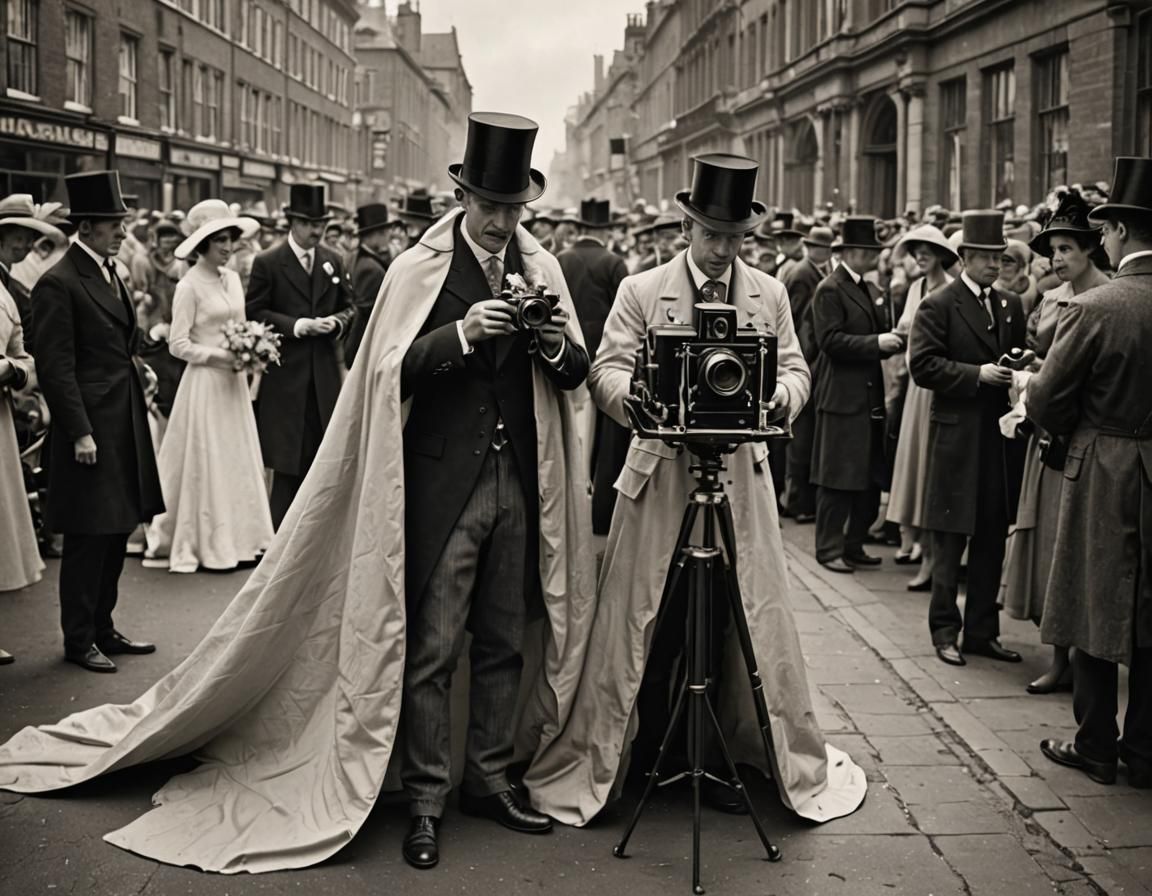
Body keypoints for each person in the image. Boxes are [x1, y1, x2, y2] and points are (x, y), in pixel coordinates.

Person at [0, 114, 595, 875]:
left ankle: (489, 779)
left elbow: (574, 370)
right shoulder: (421, 269)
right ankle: (422, 795)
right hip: (445, 485)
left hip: (521, 482)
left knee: (507, 642)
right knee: (435, 644)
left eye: (513, 210)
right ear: (463, 198)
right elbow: (389, 374)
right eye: (489, 207)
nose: (501, 222)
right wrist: (464, 335)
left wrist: (547, 340)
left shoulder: (540, 268)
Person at [525, 153, 867, 828]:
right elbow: (607, 368)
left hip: (739, 478)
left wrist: (778, 400)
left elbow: (798, 367)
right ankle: (644, 753)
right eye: (711, 234)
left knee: (734, 620)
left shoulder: (768, 294)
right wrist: (638, 402)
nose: (721, 250)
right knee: (648, 619)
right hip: (659, 477)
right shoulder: (643, 290)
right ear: (687, 227)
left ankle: (709, 757)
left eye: (734, 237)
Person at [1029, 156, 1152, 789]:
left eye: (1104, 229)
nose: (1101, 238)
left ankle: (1096, 745)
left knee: (1094, 601)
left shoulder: (1097, 307)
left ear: (1122, 233)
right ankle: (1146, 752)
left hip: (1102, 463)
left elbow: (1048, 398)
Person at [31, 171, 163, 673]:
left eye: (122, 224)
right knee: (88, 538)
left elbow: (116, 345)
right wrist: (80, 431)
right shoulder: (58, 282)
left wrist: (140, 368)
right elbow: (55, 367)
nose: (123, 233)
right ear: (85, 226)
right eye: (113, 225)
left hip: (121, 419)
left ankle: (104, 626)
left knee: (115, 532)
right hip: (90, 428)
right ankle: (79, 638)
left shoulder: (109, 272)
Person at [1000, 189, 1110, 695]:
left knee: (1077, 549)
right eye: (1054, 249)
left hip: (1084, 441)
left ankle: (1083, 659)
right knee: (1047, 542)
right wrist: (1027, 370)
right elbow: (1047, 361)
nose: (1058, 258)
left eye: (1068, 248)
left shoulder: (1104, 299)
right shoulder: (1049, 299)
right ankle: (1058, 655)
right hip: (1045, 433)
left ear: (1092, 248)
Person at [909, 210, 1026, 667]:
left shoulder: (1010, 305)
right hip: (957, 438)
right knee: (950, 537)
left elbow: (1013, 355)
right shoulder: (939, 303)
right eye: (984, 257)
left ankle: (982, 630)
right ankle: (945, 631)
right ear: (963, 258)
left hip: (997, 440)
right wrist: (977, 373)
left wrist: (1017, 368)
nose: (994, 265)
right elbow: (923, 366)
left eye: (998, 257)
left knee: (992, 536)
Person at [143, 200, 273, 573]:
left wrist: (251, 349)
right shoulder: (189, 286)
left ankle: (242, 537)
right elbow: (178, 344)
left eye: (232, 241)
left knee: (235, 455)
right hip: (204, 383)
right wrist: (221, 357)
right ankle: (204, 541)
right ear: (202, 245)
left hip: (234, 383)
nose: (229, 249)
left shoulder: (233, 279)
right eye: (221, 242)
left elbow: (243, 324)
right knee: (207, 458)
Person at [246, 182, 355, 529]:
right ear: (292, 221)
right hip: (286, 377)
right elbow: (254, 311)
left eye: (321, 223)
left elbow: (351, 307)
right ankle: (280, 537)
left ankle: (315, 536)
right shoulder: (268, 262)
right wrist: (297, 326)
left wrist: (336, 323)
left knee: (321, 460)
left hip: (323, 377)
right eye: (309, 223)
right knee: (287, 462)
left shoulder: (332, 260)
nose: (317, 231)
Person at [810, 216, 902, 573]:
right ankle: (829, 547)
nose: (873, 257)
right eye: (867, 252)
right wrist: (877, 342)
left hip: (865, 395)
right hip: (842, 397)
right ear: (849, 252)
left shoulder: (866, 287)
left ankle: (853, 543)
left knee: (864, 474)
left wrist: (888, 337)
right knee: (836, 476)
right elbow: (829, 342)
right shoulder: (831, 289)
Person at [886, 224, 957, 591]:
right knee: (915, 466)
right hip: (915, 386)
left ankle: (933, 559)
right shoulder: (915, 287)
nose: (920, 255)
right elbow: (904, 333)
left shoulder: (950, 289)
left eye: (927, 249)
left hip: (937, 386)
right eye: (915, 250)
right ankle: (915, 544)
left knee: (933, 470)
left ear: (942, 253)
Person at [556, 198, 630, 534]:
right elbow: (625, 316)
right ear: (604, 230)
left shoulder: (561, 259)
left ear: (581, 228)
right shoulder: (614, 262)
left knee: (568, 422)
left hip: (567, 351)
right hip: (603, 353)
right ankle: (601, 508)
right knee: (606, 433)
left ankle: (567, 495)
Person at [0, 196, 57, 624]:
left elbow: (22, 351)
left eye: (28, 239)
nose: (23, 246)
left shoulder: (8, 289)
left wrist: (17, 371)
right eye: (16, 237)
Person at [781, 224, 834, 522]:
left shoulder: (806, 270)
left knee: (800, 436)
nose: (821, 252)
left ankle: (794, 499)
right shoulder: (804, 274)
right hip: (805, 356)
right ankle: (798, 502)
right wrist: (805, 360)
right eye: (818, 247)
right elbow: (799, 319)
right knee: (801, 437)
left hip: (804, 356)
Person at [343, 202, 391, 366]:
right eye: (385, 232)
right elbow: (368, 315)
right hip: (365, 347)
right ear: (376, 234)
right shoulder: (371, 269)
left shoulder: (354, 257)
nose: (388, 237)